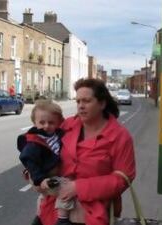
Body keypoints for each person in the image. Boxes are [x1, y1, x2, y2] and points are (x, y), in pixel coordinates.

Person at [36, 78, 136, 225]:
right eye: (78, 102)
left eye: (86, 101)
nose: (81, 106)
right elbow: (43, 150)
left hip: (92, 214)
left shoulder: (120, 136)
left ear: (102, 103)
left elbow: (123, 179)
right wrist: (33, 173)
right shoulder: (67, 125)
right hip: (54, 210)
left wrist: (78, 187)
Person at [17, 99, 75, 225]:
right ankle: (62, 219)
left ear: (59, 122)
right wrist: (40, 180)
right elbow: (29, 161)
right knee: (66, 190)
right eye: (42, 122)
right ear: (34, 122)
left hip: (54, 174)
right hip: (45, 177)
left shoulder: (57, 134)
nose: (46, 126)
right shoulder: (34, 142)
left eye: (51, 122)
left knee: (44, 198)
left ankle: (39, 218)